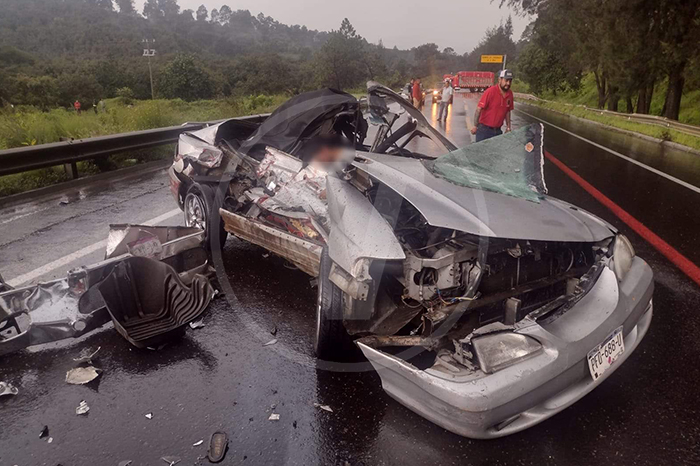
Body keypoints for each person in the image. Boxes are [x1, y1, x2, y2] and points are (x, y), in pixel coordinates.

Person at [470, 69, 514, 142]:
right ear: (499, 80)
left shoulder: (510, 94)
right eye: (506, 80)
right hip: (484, 131)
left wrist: (508, 127)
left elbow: (507, 111)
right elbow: (479, 109)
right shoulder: (490, 91)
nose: (508, 83)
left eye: (510, 81)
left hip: (498, 132)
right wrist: (475, 126)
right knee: (481, 149)